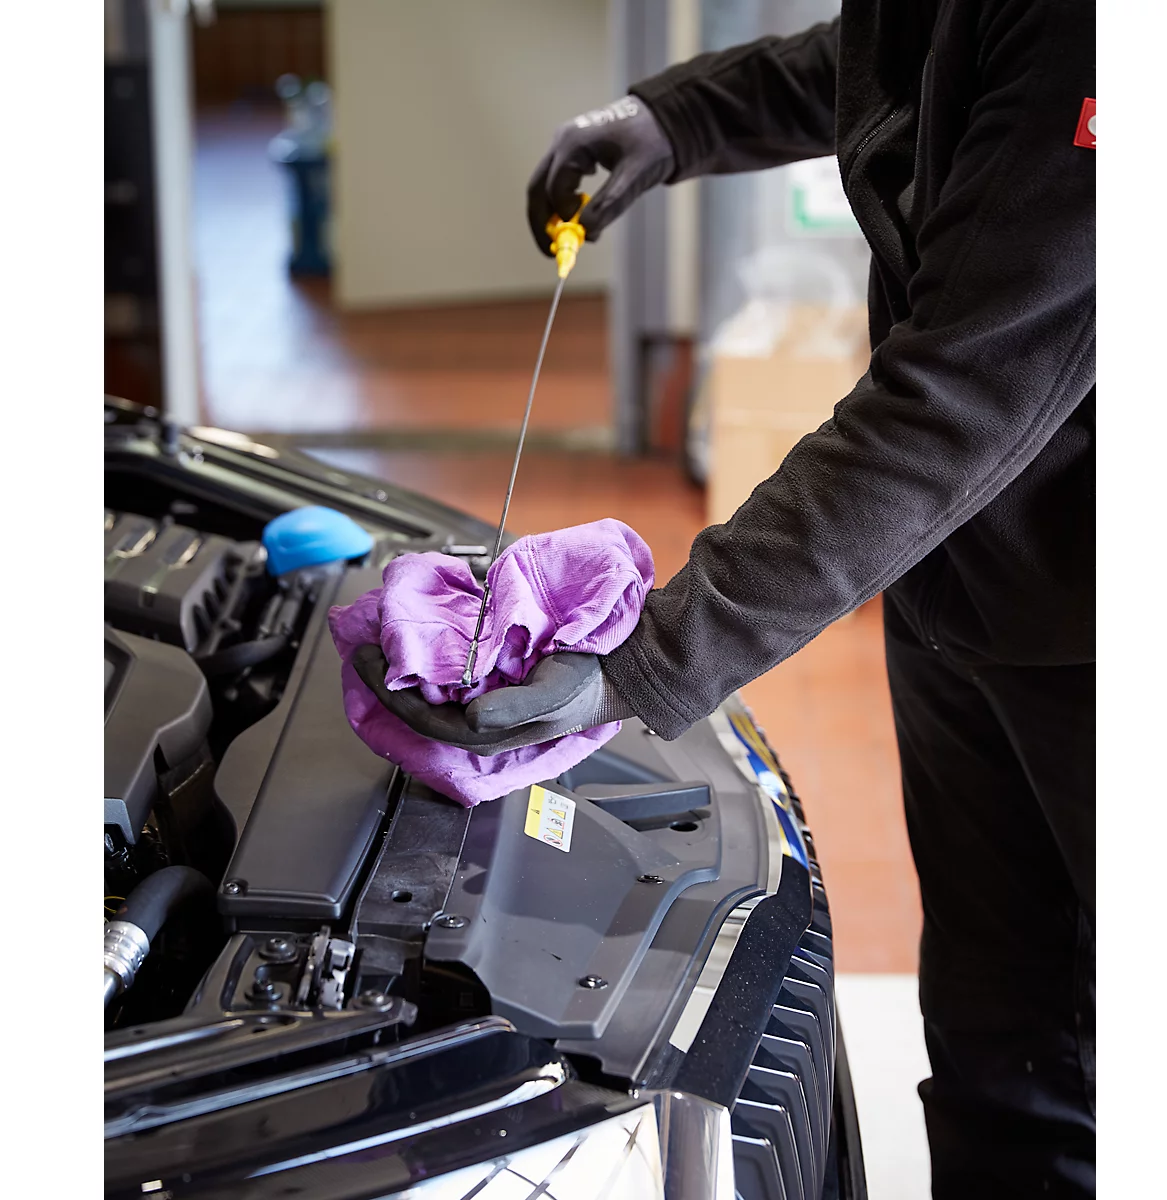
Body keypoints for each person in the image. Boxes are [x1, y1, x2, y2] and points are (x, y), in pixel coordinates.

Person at [361, 2, 1095, 1195]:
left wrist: (653, 656)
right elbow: (897, 61)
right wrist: (677, 116)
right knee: (999, 1036)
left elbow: (966, 390)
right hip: (966, 575)